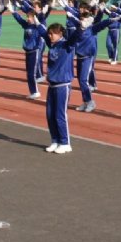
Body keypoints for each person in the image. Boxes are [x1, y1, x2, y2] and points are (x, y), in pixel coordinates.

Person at [39, 20, 84, 154]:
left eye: (52, 34)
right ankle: (55, 140)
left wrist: (81, 28)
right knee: (50, 114)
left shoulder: (67, 45)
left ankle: (65, 143)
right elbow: (43, 34)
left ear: (60, 34)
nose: (50, 36)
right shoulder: (53, 45)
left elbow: (74, 37)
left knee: (60, 115)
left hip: (62, 86)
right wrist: (37, 24)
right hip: (52, 85)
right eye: (49, 34)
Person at [10, 4, 45, 99]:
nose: (28, 19)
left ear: (34, 18)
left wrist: (42, 14)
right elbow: (19, 20)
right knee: (28, 73)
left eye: (30, 17)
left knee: (32, 73)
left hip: (34, 51)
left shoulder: (37, 27)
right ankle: (33, 92)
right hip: (28, 52)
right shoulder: (26, 25)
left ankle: (36, 91)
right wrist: (13, 12)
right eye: (27, 17)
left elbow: (42, 22)